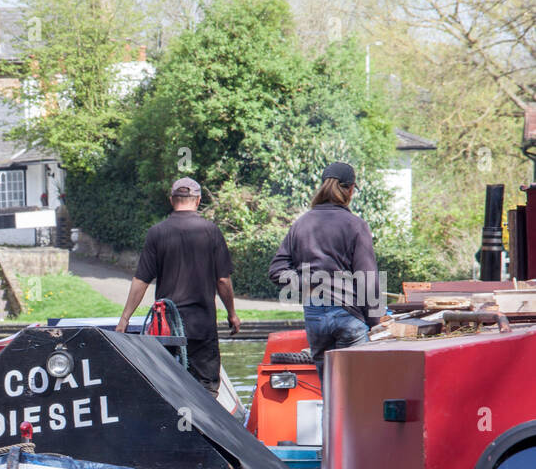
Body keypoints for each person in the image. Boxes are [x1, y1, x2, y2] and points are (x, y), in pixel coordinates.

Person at [116, 177, 240, 394]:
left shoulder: (157, 232)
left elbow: (142, 280)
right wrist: (232, 314)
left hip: (168, 327)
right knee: (207, 388)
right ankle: (202, 427)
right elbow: (222, 280)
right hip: (202, 325)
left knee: (170, 388)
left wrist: (125, 318)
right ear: (198, 200)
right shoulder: (211, 232)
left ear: (172, 200)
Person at [267, 161, 383, 387]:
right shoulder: (356, 225)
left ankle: (330, 423)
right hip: (348, 314)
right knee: (356, 394)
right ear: (350, 190)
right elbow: (367, 278)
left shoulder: (301, 224)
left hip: (315, 316)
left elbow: (277, 272)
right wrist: (376, 322)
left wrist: (309, 279)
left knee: (329, 394)